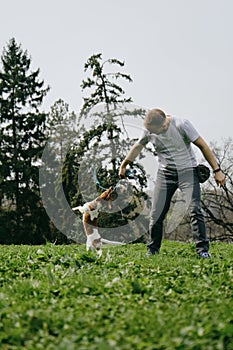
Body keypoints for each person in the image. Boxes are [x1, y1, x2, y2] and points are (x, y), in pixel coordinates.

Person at [118, 108, 225, 258]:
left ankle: (203, 251)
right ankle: (152, 250)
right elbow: (138, 146)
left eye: (155, 132)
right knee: (156, 214)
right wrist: (124, 164)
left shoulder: (182, 125)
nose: (152, 135)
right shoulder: (149, 130)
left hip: (188, 172)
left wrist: (217, 170)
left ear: (163, 126)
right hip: (166, 173)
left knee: (194, 209)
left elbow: (203, 146)